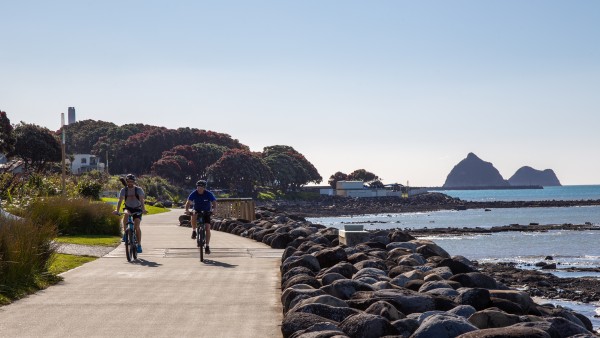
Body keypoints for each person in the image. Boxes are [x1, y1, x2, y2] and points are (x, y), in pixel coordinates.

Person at [114, 174, 147, 253]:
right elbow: (120, 200)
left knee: (137, 227)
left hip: (137, 209)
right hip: (128, 208)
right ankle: (126, 234)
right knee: (126, 214)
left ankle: (139, 245)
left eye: (131, 181)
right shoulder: (123, 190)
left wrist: (143, 209)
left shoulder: (138, 189)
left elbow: (142, 201)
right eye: (128, 181)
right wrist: (117, 210)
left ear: (134, 182)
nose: (130, 183)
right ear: (127, 181)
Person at [185, 180, 217, 254]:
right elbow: (188, 202)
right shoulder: (194, 193)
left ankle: (207, 246)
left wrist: (214, 209)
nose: (199, 188)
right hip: (197, 210)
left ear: (204, 187)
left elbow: (214, 202)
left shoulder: (208, 194)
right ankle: (194, 231)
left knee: (207, 228)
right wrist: (186, 209)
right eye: (198, 186)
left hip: (206, 211)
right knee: (193, 214)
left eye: (201, 187)